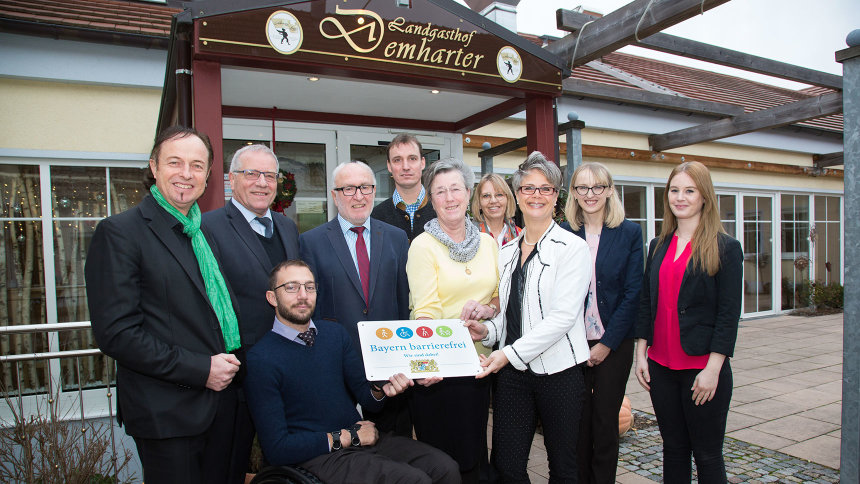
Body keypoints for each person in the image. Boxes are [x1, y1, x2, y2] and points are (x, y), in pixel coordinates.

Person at [85, 126, 246, 484]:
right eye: (175, 162)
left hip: (221, 406)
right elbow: (117, 334)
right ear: (154, 167)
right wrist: (200, 369)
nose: (186, 174)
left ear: (208, 176)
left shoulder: (200, 234)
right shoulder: (120, 233)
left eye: (197, 165)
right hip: (168, 413)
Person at [244, 260, 460, 484]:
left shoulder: (334, 334)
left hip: (360, 442)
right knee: (413, 480)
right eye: (291, 287)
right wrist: (348, 436)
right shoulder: (261, 360)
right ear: (272, 297)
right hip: (314, 456)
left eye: (309, 287)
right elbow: (277, 448)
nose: (302, 295)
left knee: (445, 467)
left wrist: (380, 388)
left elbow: (369, 400)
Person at [466, 151, 592, 483]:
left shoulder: (572, 248)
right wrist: (488, 331)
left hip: (560, 372)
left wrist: (505, 353)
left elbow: (563, 318)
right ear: (518, 195)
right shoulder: (506, 252)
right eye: (528, 188)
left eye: (545, 189)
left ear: (556, 197)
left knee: (564, 466)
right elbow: (511, 314)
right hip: (514, 376)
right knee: (506, 464)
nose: (536, 195)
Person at [634, 161, 742, 484]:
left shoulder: (726, 248)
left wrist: (713, 370)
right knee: (674, 450)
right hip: (661, 369)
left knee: (707, 455)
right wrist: (641, 353)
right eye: (675, 190)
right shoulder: (658, 245)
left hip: (702, 370)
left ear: (704, 196)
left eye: (689, 191)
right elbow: (646, 302)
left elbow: (728, 315)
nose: (680, 198)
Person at [202, 143, 301, 475]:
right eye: (252, 174)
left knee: (285, 465)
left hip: (287, 370)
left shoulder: (287, 227)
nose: (262, 182)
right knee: (231, 464)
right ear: (232, 179)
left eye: (269, 175)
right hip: (238, 378)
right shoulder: (208, 228)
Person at [299, 161, 412, 436]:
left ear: (374, 191)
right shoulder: (310, 242)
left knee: (393, 449)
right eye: (349, 188)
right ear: (335, 195)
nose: (358, 195)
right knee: (344, 452)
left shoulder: (397, 238)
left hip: (388, 365)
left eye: (365, 187)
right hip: (335, 366)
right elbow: (308, 309)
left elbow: (402, 300)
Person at [406, 157, 500, 483]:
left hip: (478, 364)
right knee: (445, 463)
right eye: (440, 192)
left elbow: (499, 298)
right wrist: (428, 364)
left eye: (455, 189)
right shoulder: (423, 246)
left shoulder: (488, 243)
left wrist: (487, 310)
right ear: (431, 201)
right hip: (440, 370)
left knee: (475, 454)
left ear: (468, 192)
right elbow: (425, 312)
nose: (449, 198)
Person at [561, 162, 643, 484]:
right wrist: (578, 344)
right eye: (582, 187)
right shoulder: (563, 234)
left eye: (598, 187)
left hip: (615, 341)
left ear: (610, 190)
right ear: (574, 194)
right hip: (571, 343)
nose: (590, 194)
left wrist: (607, 344)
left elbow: (633, 292)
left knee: (606, 422)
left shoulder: (629, 233)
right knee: (577, 423)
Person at [371, 133, 436, 242]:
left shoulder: (441, 209)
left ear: (422, 163)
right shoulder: (376, 217)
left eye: (412, 158)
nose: (405, 167)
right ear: (389, 166)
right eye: (397, 160)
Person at [471, 173, 521, 246]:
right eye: (486, 196)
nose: (493, 201)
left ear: (508, 199)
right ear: (479, 203)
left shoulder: (521, 236)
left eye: (499, 195)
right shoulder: (468, 237)